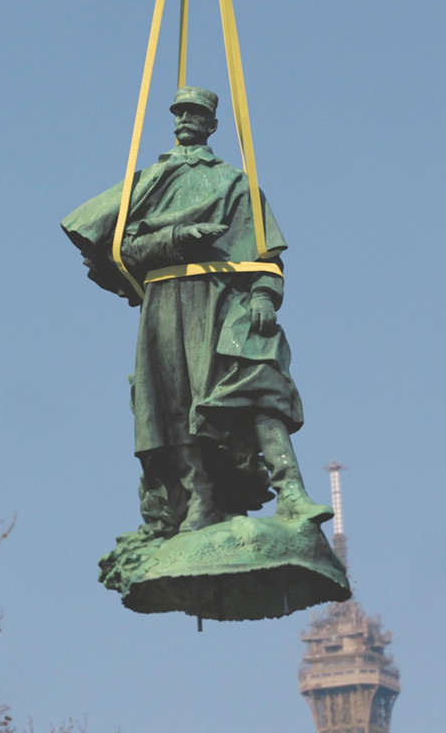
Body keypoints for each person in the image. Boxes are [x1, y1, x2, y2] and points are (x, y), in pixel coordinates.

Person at [62, 85, 331, 538]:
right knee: (171, 401)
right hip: (165, 300)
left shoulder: (233, 183)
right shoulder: (151, 180)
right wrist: (175, 238)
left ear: (211, 124)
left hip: (221, 298)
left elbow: (266, 253)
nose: (184, 120)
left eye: (194, 114)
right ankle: (198, 499)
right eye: (179, 113)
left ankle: (292, 492)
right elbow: (121, 248)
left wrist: (264, 294)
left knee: (256, 384)